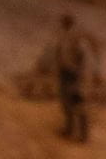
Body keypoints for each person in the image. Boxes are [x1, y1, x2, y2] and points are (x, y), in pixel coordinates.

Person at [39, 13, 99, 142]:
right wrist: (53, 67)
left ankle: (83, 136)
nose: (64, 24)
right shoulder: (62, 35)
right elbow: (58, 53)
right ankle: (69, 129)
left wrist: (82, 76)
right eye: (63, 22)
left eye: (66, 22)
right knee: (65, 102)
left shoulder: (78, 38)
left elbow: (86, 58)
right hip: (64, 72)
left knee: (79, 103)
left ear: (71, 23)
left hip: (75, 75)